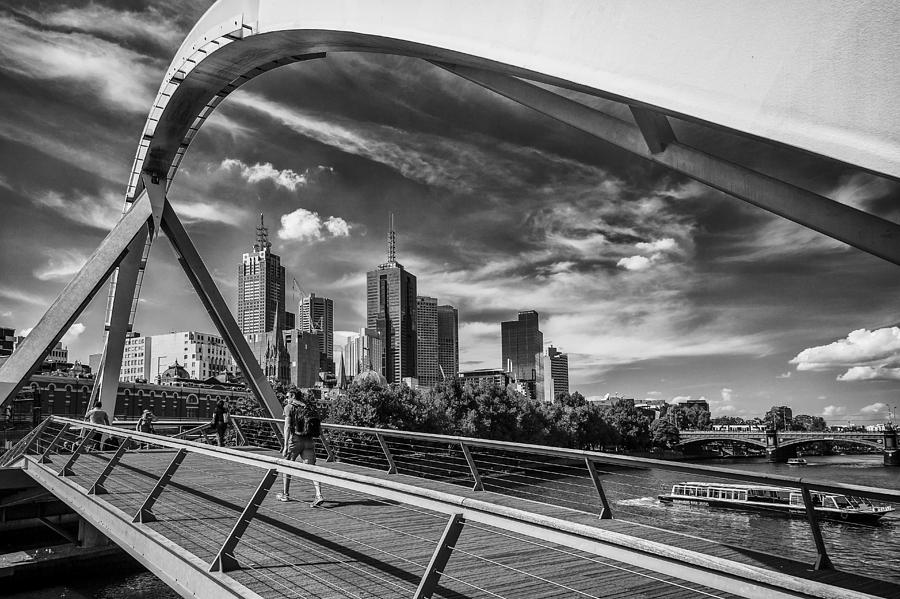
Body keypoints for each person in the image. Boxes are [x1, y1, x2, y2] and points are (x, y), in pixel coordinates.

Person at [277, 389, 324, 506]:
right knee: (312, 468)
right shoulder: (309, 407)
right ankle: (319, 494)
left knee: (287, 465)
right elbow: (319, 429)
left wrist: (285, 445)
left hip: (295, 440)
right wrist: (327, 447)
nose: (286, 399)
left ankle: (285, 494)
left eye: (288, 396)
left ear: (293, 396)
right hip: (309, 440)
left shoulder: (289, 407)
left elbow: (287, 427)